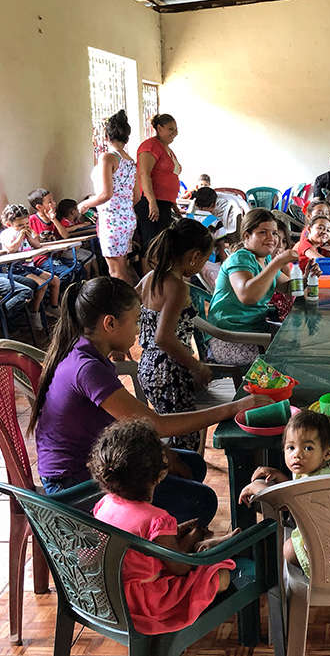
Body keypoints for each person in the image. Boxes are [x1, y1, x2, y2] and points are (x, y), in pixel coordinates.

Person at [35, 277, 271, 524]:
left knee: (193, 464)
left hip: (94, 463)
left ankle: (162, 534)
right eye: (135, 321)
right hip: (72, 484)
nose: (138, 330)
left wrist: (165, 455)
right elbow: (155, 425)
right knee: (202, 500)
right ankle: (151, 548)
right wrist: (233, 408)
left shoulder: (86, 352)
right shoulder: (87, 368)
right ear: (110, 323)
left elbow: (132, 427)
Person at [87, 421, 239, 634]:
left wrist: (174, 533)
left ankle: (205, 544)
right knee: (221, 576)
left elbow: (137, 541)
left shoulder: (104, 504)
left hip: (109, 594)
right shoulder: (158, 519)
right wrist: (192, 536)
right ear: (159, 477)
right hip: (143, 604)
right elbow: (180, 566)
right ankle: (205, 546)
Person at [136, 220, 218, 453]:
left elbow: (130, 306)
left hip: (148, 367)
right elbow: (164, 338)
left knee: (172, 428)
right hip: (169, 371)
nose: (202, 266)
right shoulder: (178, 288)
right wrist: (196, 366)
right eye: (204, 260)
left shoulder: (151, 277)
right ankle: (184, 481)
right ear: (194, 256)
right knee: (184, 435)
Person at [235, 410, 330, 576]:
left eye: (308, 448)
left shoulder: (318, 482)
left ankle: (320, 573)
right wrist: (280, 476)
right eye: (290, 447)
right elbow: (296, 493)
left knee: (289, 550)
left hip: (327, 548)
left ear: (328, 452)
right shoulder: (323, 472)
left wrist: (255, 487)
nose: (297, 454)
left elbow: (283, 503)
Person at [208, 209, 300, 365]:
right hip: (229, 338)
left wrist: (308, 277)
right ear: (246, 236)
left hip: (255, 330)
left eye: (275, 233)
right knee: (287, 356)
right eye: (263, 232)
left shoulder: (264, 259)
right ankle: (267, 389)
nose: (271, 238)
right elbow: (247, 296)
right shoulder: (240, 258)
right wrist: (277, 263)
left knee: (300, 340)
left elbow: (287, 288)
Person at [81, 111, 140, 282]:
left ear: (106, 135)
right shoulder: (130, 162)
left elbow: (106, 194)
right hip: (127, 218)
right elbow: (135, 197)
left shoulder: (107, 157)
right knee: (122, 267)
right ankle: (137, 303)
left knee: (115, 272)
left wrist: (85, 204)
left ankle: (132, 308)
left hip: (112, 220)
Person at [0, 204, 66, 309]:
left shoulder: (28, 232)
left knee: (55, 280)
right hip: (17, 269)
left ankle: (53, 307)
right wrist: (20, 236)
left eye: (26, 223)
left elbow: (37, 245)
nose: (24, 227)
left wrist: (30, 237)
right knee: (42, 284)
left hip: (30, 266)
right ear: (8, 224)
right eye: (20, 225)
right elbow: (12, 249)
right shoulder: (7, 234)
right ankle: (34, 311)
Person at [134, 114, 184, 257]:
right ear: (159, 128)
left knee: (162, 243)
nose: (174, 133)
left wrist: (173, 203)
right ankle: (149, 277)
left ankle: (159, 275)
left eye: (176, 130)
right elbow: (144, 174)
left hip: (163, 203)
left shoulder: (165, 147)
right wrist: (152, 202)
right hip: (152, 202)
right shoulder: (151, 146)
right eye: (171, 129)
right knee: (152, 243)